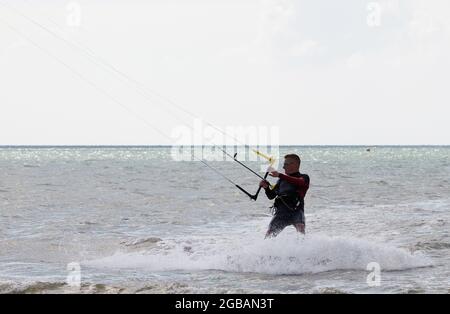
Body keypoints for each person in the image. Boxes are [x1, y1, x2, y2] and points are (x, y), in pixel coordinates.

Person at [259, 154, 310, 238]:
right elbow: (271, 195)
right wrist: (266, 187)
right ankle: (265, 250)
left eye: (285, 164)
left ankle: (303, 249)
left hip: (296, 211)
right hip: (281, 213)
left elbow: (299, 182)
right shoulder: (281, 180)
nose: (283, 167)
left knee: (300, 228)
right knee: (269, 235)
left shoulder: (304, 177)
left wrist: (280, 175)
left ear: (294, 164)